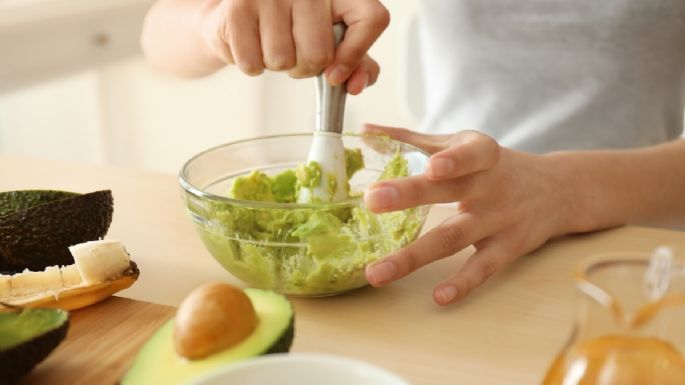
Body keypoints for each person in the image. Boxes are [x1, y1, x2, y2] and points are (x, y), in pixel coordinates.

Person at [141, 0, 685, 305]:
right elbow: (158, 34)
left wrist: (565, 189)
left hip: (639, 250)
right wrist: (214, 26)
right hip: (441, 243)